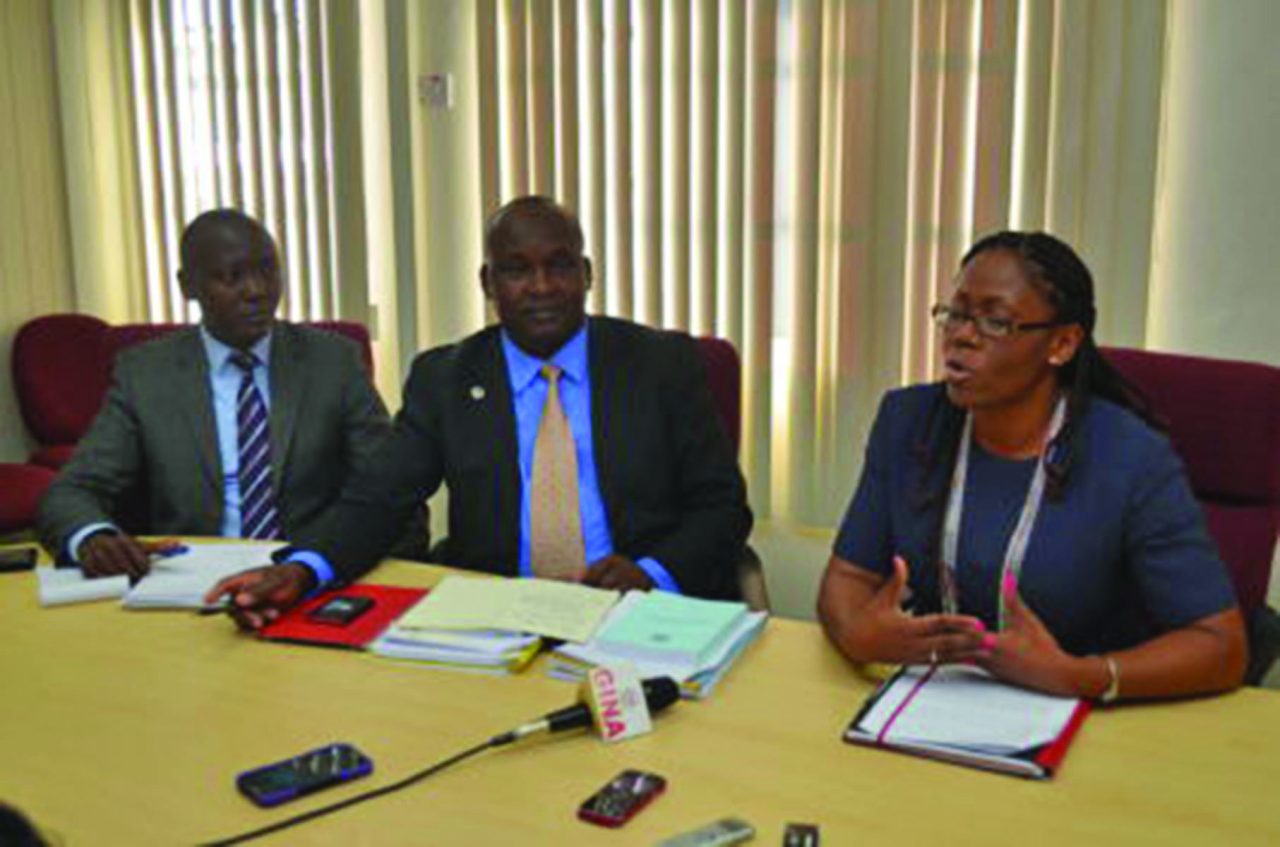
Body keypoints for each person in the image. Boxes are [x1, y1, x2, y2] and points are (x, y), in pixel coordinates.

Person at [207, 195, 752, 626]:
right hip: (498, 624)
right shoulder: (446, 377)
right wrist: (304, 569)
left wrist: (651, 574)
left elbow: (723, 508)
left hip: (641, 617)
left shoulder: (661, 364)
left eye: (559, 266)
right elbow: (378, 500)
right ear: (489, 284)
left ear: (587, 274)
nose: (542, 287)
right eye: (516, 270)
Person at [817, 231, 1247, 701]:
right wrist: (860, 637)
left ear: (1062, 343)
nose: (961, 335)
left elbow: (1221, 647)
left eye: (995, 322)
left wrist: (1079, 677)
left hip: (1085, 714)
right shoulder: (908, 421)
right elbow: (848, 580)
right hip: (928, 698)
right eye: (955, 314)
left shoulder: (1131, 458)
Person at [38, 209, 404, 578]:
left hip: (306, 573)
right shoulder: (146, 373)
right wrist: (93, 537)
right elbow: (73, 490)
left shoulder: (332, 361)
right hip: (185, 580)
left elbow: (390, 485)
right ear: (187, 286)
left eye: (267, 270)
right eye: (231, 277)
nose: (257, 291)